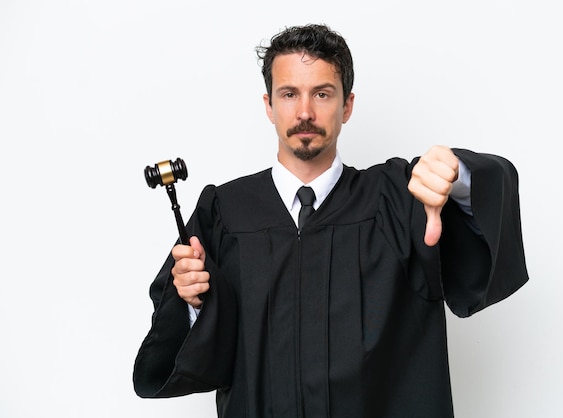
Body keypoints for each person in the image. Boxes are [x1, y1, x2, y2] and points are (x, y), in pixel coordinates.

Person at [133, 23, 529, 418]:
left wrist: (456, 175)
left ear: (347, 105)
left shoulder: (397, 199)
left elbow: (487, 214)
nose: (305, 112)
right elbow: (201, 356)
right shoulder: (225, 211)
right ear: (269, 105)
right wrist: (193, 302)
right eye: (289, 94)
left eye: (322, 94)